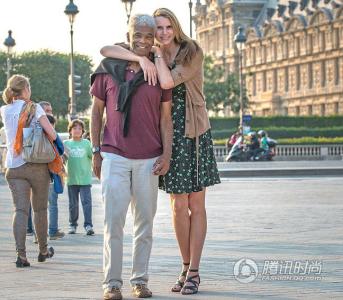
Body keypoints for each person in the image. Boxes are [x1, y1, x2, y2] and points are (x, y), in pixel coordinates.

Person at [100, 7, 220, 295]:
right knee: (178, 206)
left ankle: (195, 271)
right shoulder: (149, 49)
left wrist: (153, 56)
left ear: (175, 27)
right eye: (159, 29)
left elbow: (166, 82)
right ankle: (184, 264)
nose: (163, 33)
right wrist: (140, 56)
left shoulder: (192, 51)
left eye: (167, 27)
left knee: (196, 204)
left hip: (193, 132)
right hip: (166, 135)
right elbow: (105, 49)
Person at [91, 14, 173, 300]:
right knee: (113, 222)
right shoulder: (108, 68)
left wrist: (167, 153)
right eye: (137, 34)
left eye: (148, 36)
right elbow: (96, 112)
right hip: (114, 155)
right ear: (128, 34)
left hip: (148, 159)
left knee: (145, 225)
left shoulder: (159, 72)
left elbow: (166, 119)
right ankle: (112, 284)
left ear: (154, 38)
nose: (142, 40)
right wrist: (95, 151)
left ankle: (140, 281)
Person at [0, 74, 56, 268]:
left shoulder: (4, 110)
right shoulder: (35, 107)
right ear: (25, 90)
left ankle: (21, 255)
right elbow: (52, 132)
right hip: (36, 165)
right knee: (40, 209)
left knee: (20, 210)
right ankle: (43, 250)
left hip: (14, 166)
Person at [64, 119, 94, 236]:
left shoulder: (86, 143)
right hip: (71, 179)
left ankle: (88, 225)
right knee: (73, 204)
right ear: (70, 131)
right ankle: (73, 225)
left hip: (85, 179)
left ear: (82, 131)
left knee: (87, 203)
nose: (77, 130)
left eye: (79, 129)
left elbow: (93, 157)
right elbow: (61, 160)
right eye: (74, 128)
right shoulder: (66, 144)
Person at [45, 114, 65, 240]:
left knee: (37, 207)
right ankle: (52, 231)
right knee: (52, 205)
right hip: (51, 175)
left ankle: (38, 235)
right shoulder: (54, 136)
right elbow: (61, 150)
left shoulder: (34, 134)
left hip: (35, 175)